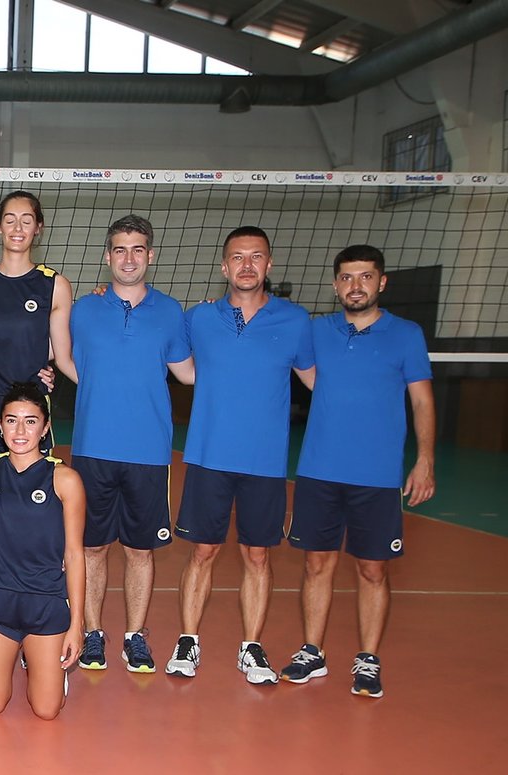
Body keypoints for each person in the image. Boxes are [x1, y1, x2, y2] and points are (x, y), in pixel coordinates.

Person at [280, 244, 435, 699]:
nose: (356, 286)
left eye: (365, 277)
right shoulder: (316, 330)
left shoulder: (406, 334)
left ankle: (368, 658)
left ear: (381, 282)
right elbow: (265, 332)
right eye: (347, 278)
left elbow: (422, 400)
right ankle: (312, 651)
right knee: (316, 564)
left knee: (372, 569)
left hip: (377, 475)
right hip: (319, 470)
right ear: (335, 285)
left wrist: (425, 460)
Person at [166, 226, 314, 685]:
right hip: (208, 456)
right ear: (224, 266)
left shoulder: (295, 321)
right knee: (202, 551)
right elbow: (179, 367)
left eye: (256, 257)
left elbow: (319, 382)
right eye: (237, 257)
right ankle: (188, 641)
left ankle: (251, 646)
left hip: (264, 464)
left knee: (257, 556)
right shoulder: (198, 318)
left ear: (269, 265)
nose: (246, 265)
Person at [58, 215, 194, 673]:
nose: (129, 258)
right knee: (92, 547)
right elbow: (65, 359)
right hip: (92, 448)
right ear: (108, 256)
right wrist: (96, 385)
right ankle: (93, 633)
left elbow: (187, 373)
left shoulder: (171, 312)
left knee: (140, 549)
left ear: (150, 256)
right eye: (120, 249)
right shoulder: (84, 309)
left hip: (148, 452)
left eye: (138, 249)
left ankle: (135, 636)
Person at [0, 383, 86, 719]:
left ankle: (46, 670)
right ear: (0, 425)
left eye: (30, 421)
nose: (20, 431)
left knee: (47, 710)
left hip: (45, 601)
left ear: (45, 427)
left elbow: (74, 554)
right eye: (11, 420)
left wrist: (77, 624)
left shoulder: (65, 480)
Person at [0, 192, 72, 458]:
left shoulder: (54, 284)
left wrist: (38, 362)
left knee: (30, 480)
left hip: (28, 404)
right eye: (10, 220)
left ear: (38, 228)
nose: (17, 228)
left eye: (26, 221)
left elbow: (60, 352)